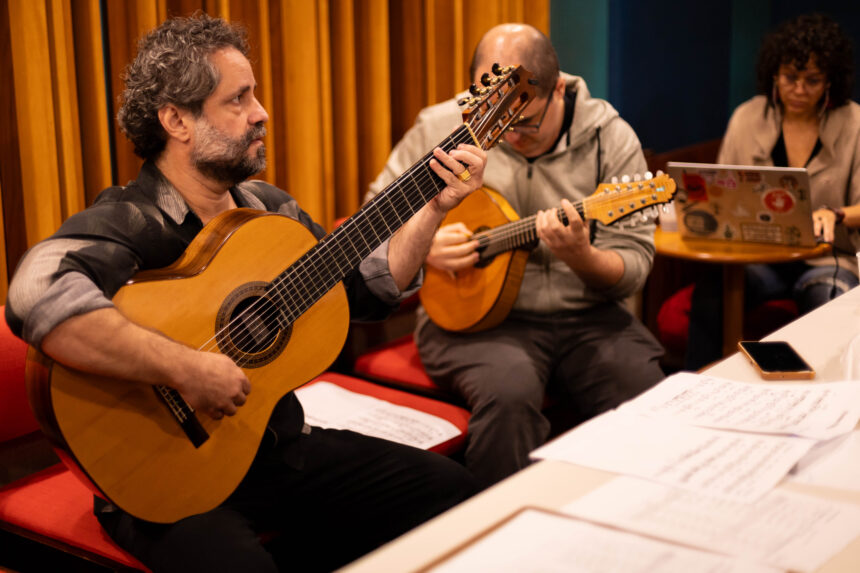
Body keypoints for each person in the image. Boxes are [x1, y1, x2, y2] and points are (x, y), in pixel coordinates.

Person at [4, 13, 486, 573]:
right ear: (176, 120)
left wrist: (431, 207)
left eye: (254, 95)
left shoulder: (266, 208)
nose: (261, 114)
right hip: (160, 478)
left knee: (456, 496)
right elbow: (35, 291)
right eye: (238, 100)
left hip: (274, 451)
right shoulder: (132, 220)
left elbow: (362, 292)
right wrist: (187, 368)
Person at [365, 23, 665, 489]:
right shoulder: (442, 125)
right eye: (494, 122)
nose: (508, 136)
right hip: (470, 323)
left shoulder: (611, 137)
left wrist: (583, 256)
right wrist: (424, 245)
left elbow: (635, 267)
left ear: (558, 89)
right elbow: (373, 221)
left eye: (523, 122)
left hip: (588, 316)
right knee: (509, 396)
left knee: (648, 399)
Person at [685, 13, 860, 371]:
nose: (798, 90)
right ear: (774, 74)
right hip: (757, 256)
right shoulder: (747, 118)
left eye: (812, 80)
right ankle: (698, 387)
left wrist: (836, 214)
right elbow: (716, 194)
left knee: (830, 300)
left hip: (826, 258)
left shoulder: (854, 123)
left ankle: (821, 404)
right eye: (790, 78)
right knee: (711, 292)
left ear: (830, 81)